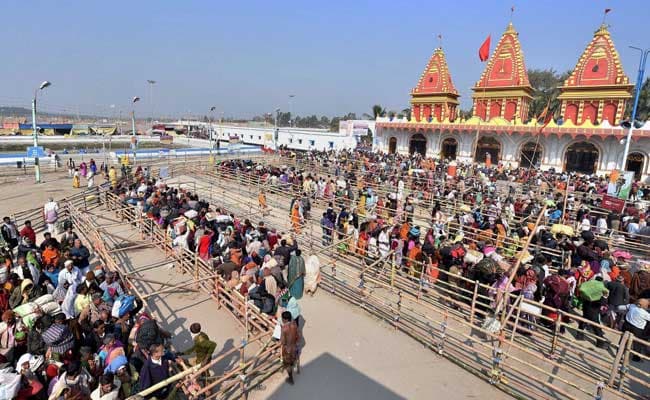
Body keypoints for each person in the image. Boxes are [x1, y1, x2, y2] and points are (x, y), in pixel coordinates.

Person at [280, 311, 300, 385]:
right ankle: (295, 368)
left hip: (287, 350)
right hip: (294, 347)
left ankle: (290, 379)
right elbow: (298, 337)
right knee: (292, 360)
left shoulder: (284, 328)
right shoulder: (295, 325)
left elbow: (282, 342)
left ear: (284, 319)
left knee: (287, 365)